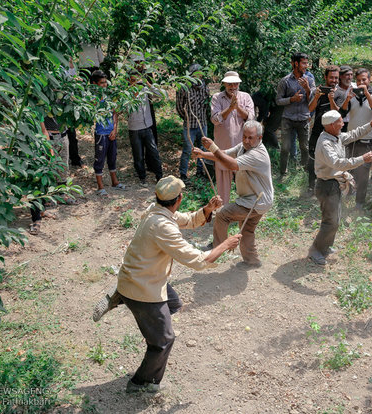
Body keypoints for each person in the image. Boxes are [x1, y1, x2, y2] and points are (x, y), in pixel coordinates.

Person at [92, 176, 242, 394]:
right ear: (179, 198)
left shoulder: (157, 210)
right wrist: (225, 244)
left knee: (174, 305)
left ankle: (121, 295)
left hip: (142, 276)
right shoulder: (163, 226)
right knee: (164, 340)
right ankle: (141, 383)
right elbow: (199, 260)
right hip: (142, 286)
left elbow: (189, 220)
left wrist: (208, 208)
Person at [193, 120, 274, 268]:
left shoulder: (257, 154)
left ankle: (217, 248)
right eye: (244, 137)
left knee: (223, 214)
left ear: (259, 138)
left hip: (256, 201)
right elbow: (224, 155)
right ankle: (252, 261)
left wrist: (212, 146)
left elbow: (231, 164)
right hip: (257, 200)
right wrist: (203, 154)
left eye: (250, 138)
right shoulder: (244, 147)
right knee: (247, 229)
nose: (246, 141)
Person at [308, 110, 372, 265]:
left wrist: (371, 124)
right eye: (340, 122)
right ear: (331, 125)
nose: (343, 124)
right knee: (331, 221)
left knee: (335, 219)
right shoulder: (325, 144)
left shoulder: (336, 137)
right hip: (326, 185)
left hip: (333, 184)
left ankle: (325, 246)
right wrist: (363, 159)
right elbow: (338, 163)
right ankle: (316, 250)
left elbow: (354, 134)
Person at [210, 71, 255, 203]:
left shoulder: (245, 97)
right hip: (223, 148)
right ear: (224, 84)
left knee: (245, 181)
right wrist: (230, 108)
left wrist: (237, 107)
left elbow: (251, 119)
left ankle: (245, 207)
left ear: (239, 84)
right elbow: (215, 119)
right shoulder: (217, 98)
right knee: (223, 183)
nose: (233, 87)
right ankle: (223, 211)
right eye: (229, 84)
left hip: (242, 148)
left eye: (235, 83)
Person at [345, 68, 372, 210]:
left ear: (369, 80)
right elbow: (342, 112)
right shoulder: (352, 94)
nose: (361, 82)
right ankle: (349, 192)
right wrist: (347, 98)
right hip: (351, 139)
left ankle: (359, 202)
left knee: (363, 172)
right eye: (359, 80)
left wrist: (366, 93)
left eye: (364, 80)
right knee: (349, 169)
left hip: (367, 140)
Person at [275, 52, 315, 176]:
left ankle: (304, 171)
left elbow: (313, 101)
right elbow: (278, 101)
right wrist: (292, 99)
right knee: (285, 148)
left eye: (307, 63)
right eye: (303, 63)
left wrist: (308, 89)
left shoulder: (310, 80)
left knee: (305, 147)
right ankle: (283, 172)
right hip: (287, 119)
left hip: (303, 118)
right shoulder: (285, 81)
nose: (306, 66)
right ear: (296, 64)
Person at [91, 70, 126, 196]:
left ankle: (114, 182)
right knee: (99, 159)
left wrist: (114, 129)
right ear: (94, 84)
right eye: (101, 83)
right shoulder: (92, 98)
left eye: (106, 82)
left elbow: (114, 113)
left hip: (111, 132)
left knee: (112, 157)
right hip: (101, 133)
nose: (104, 85)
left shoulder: (110, 96)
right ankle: (100, 186)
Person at [307, 65, 342, 191]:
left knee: (331, 159)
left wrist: (331, 99)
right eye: (331, 77)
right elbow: (309, 109)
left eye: (336, 78)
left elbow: (338, 114)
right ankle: (311, 187)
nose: (334, 80)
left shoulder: (340, 92)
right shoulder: (318, 91)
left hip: (333, 133)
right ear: (325, 77)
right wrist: (316, 96)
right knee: (312, 159)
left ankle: (329, 186)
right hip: (317, 130)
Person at [176, 63, 211, 182]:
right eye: (196, 74)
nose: (199, 76)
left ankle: (200, 171)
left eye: (200, 74)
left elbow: (206, 105)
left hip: (202, 123)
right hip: (189, 125)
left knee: (203, 148)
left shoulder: (205, 87)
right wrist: (187, 118)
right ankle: (183, 174)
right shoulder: (184, 88)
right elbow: (180, 107)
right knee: (187, 150)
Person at [128, 73, 162, 186]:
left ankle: (160, 176)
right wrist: (133, 95)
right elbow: (121, 108)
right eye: (134, 80)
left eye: (138, 80)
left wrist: (147, 83)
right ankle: (142, 177)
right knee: (138, 155)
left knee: (154, 152)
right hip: (134, 128)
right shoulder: (126, 93)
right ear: (129, 80)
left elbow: (159, 94)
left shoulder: (145, 89)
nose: (137, 83)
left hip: (147, 126)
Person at [333, 65, 354, 131]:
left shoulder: (355, 87)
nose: (350, 77)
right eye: (347, 75)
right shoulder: (335, 90)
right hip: (339, 123)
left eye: (351, 75)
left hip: (353, 122)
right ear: (340, 76)